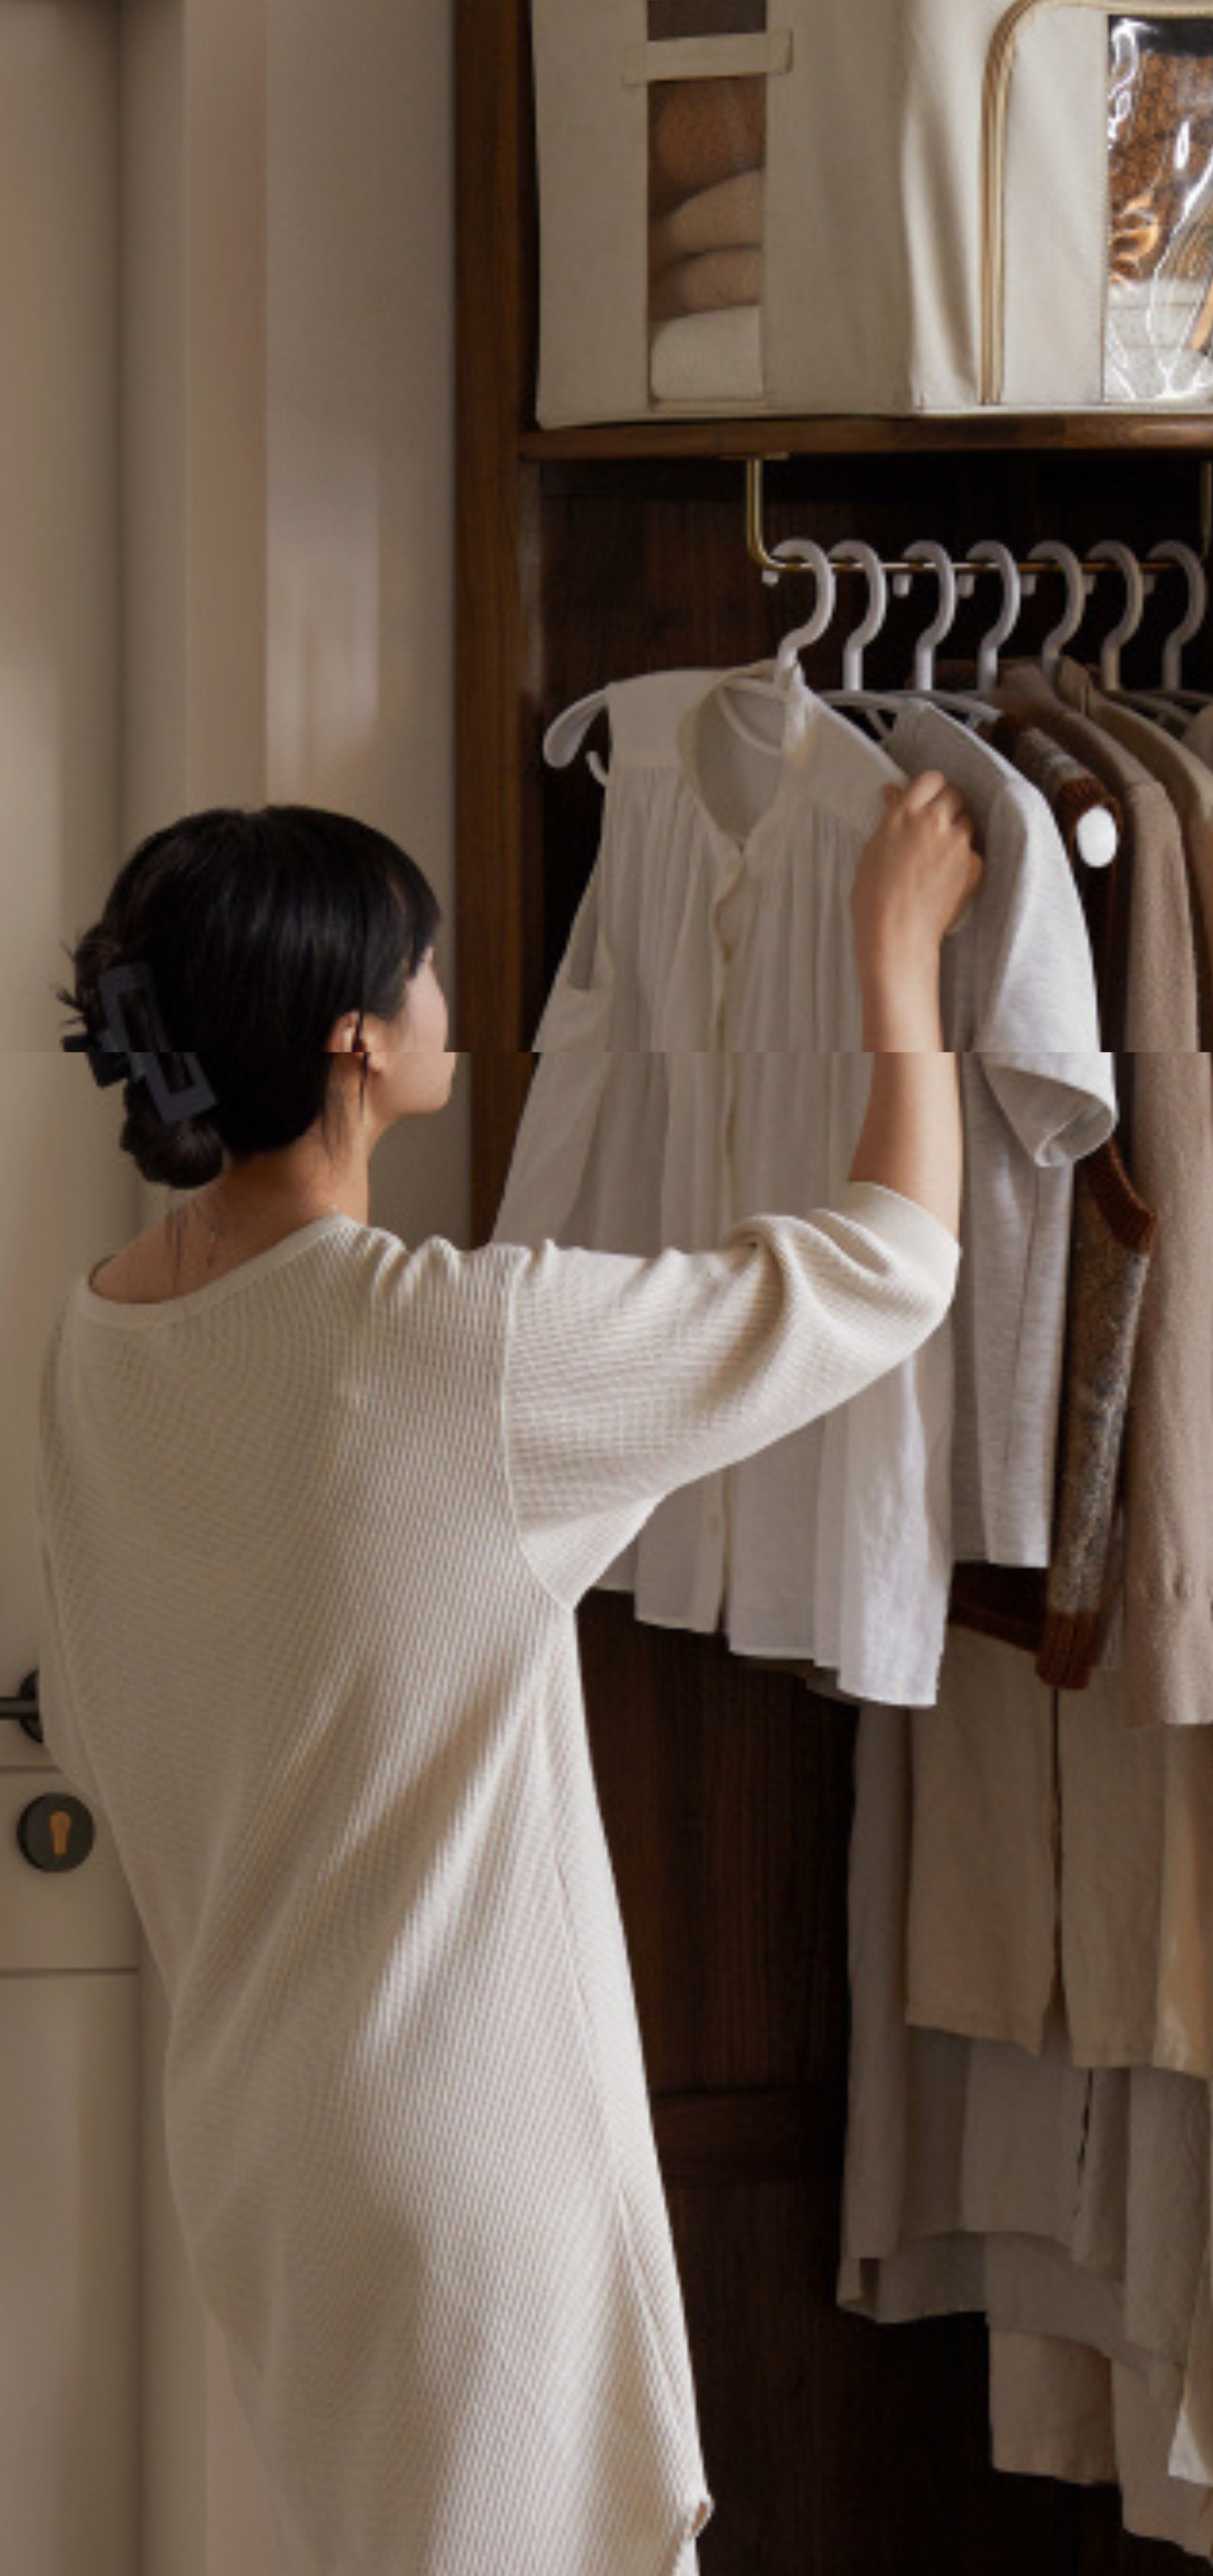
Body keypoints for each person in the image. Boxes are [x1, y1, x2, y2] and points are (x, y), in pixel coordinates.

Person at [32, 775, 982, 2575]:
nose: (447, 992)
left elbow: (96, 1717)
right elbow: (889, 1267)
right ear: (355, 1039)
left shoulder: (100, 1338)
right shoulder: (442, 1345)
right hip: (461, 2150)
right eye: (424, 966)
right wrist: (895, 955)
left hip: (258, 2147)